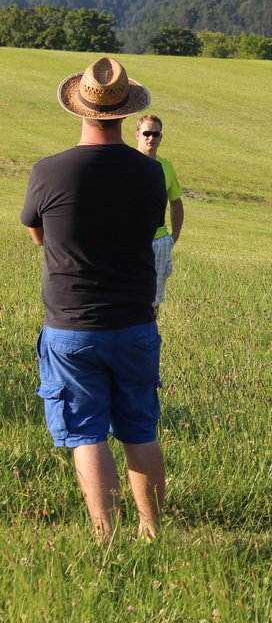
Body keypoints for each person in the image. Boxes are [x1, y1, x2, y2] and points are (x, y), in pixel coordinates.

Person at [20, 57, 168, 542]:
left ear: (80, 108)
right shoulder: (149, 174)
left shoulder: (49, 171)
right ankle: (152, 533)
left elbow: (38, 235)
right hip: (134, 322)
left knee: (85, 433)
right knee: (139, 429)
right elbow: (147, 229)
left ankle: (105, 538)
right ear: (126, 113)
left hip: (71, 325)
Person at [133, 114, 184, 315]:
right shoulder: (127, 162)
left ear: (161, 137)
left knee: (153, 300)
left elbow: (176, 202)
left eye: (156, 134)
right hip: (131, 241)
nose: (151, 138)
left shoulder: (166, 167)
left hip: (159, 242)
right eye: (147, 133)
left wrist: (174, 236)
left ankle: (150, 332)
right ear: (137, 135)